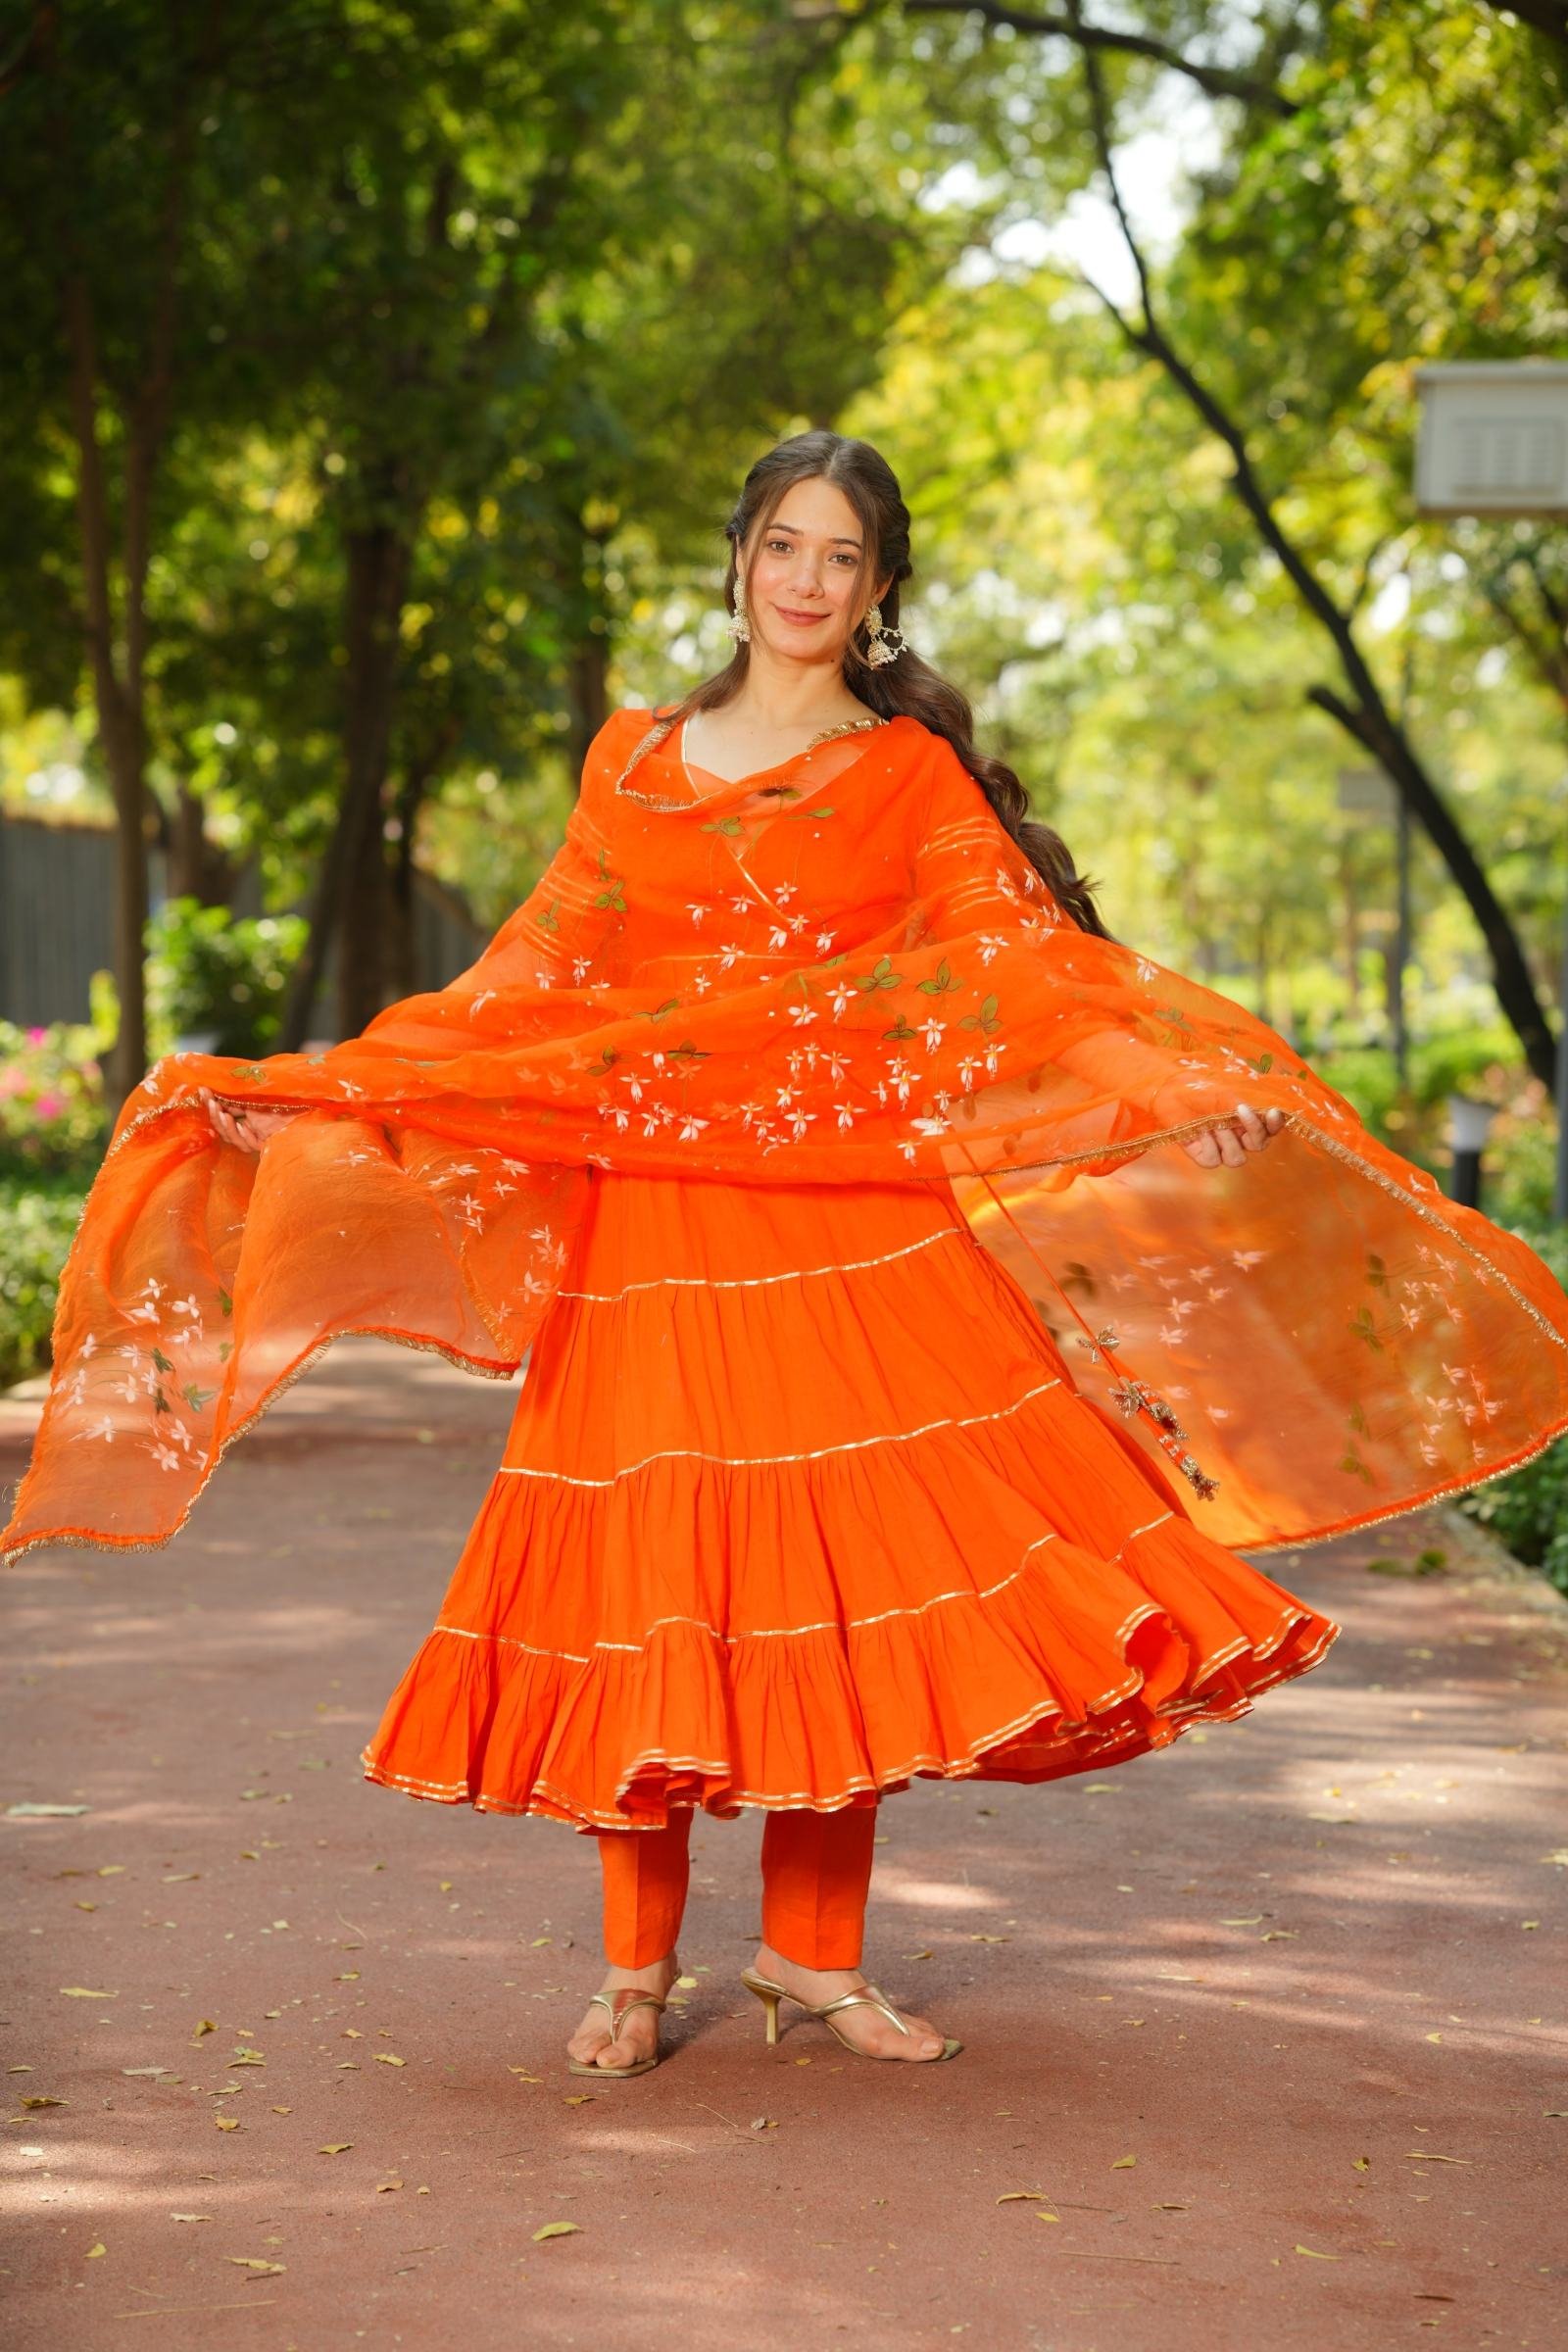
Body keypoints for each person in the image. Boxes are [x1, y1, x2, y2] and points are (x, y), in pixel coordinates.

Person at [9, 433, 1568, 2082]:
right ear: (738, 560)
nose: (808, 580)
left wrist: (1174, 1090)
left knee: (859, 1578)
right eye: (783, 546)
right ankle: (631, 1972)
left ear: (880, 589)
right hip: (658, 1238)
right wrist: (321, 1099)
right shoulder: (632, 762)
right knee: (658, 1578)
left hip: (853, 1234)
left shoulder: (906, 778)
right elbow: (517, 989)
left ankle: (812, 1961)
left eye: (843, 557)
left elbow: (1018, 978)